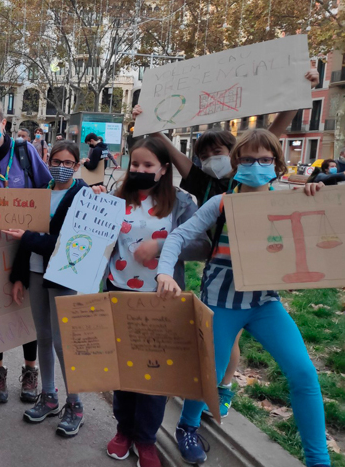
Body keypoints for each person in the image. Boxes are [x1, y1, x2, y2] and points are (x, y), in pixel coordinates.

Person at [129, 67, 320, 416]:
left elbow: (273, 134)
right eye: (204, 154)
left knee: (234, 342)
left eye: (218, 151)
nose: (211, 159)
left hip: (261, 272)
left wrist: (299, 91)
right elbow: (171, 152)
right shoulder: (205, 185)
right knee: (223, 338)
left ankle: (224, 386)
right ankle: (207, 400)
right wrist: (147, 122)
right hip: (221, 268)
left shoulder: (254, 172)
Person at [156, 129, 330, 467]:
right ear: (237, 163)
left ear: (277, 164)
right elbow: (177, 237)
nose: (256, 165)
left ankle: (317, 460)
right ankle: (187, 427)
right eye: (248, 159)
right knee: (209, 372)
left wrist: (316, 195)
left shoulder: (288, 200)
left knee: (304, 373)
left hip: (264, 304)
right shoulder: (220, 203)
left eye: (264, 160)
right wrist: (164, 271)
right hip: (222, 304)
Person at [99, 137, 209, 467]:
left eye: (148, 166)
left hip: (161, 299)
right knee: (124, 371)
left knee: (154, 375)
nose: (140, 170)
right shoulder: (118, 199)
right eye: (135, 165)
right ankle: (123, 431)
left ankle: (146, 439)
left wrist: (160, 246)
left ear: (163, 169)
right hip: (119, 294)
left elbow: (202, 245)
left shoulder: (181, 203)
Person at [0, 101, 52, 403]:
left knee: (27, 307)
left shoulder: (25, 152)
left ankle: (30, 372)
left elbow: (47, 187)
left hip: (27, 241)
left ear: (4, 123)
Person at [3, 140, 87, 437]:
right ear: (47, 160)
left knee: (64, 343)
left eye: (68, 163)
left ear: (78, 165)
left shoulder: (84, 195)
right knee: (43, 336)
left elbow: (70, 244)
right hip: (37, 273)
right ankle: (49, 396)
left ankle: (75, 403)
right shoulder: (41, 194)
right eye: (56, 161)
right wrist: (18, 276)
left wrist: (28, 238)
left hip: (64, 275)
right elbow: (27, 239)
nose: (61, 167)